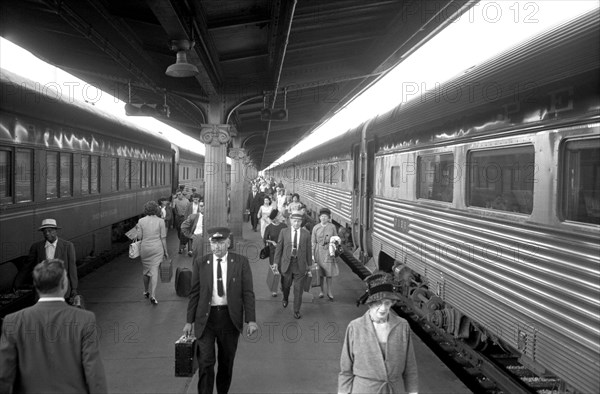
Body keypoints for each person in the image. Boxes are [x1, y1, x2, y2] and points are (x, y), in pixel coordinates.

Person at [0, 259, 107, 394]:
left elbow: (4, 375)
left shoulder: (13, 321)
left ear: (36, 286)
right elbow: (93, 371)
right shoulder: (84, 319)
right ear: (64, 284)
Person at [183, 227, 258, 394]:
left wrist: (251, 320)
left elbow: (248, 292)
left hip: (229, 320)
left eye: (221, 243)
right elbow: (194, 293)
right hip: (206, 320)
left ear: (228, 243)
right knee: (206, 363)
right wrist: (189, 321)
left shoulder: (241, 262)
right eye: (213, 244)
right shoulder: (200, 263)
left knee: (226, 362)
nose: (217, 247)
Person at [338, 271, 418, 394]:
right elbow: (346, 370)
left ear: (392, 303)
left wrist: (413, 392)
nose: (383, 308)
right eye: (378, 302)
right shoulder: (355, 327)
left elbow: (410, 368)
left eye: (387, 302)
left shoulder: (402, 326)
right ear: (370, 303)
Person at [26, 218, 79, 305]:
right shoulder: (37, 247)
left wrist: (74, 288)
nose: (47, 234)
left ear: (56, 231)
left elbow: (72, 268)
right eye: (44, 231)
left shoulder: (68, 246)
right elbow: (29, 266)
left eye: (50, 231)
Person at [273, 211, 312, 319]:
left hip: (300, 265)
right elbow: (279, 248)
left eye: (299, 221)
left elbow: (308, 250)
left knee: (298, 290)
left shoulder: (306, 234)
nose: (296, 223)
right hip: (287, 264)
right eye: (294, 221)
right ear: (290, 221)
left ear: (301, 222)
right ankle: (285, 298)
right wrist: (276, 262)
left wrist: (310, 265)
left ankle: (296, 310)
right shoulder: (284, 232)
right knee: (286, 286)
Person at [136, 200, 169, 305]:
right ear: (156, 210)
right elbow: (163, 238)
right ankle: (153, 296)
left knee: (146, 271)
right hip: (157, 248)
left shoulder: (141, 221)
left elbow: (139, 237)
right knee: (154, 271)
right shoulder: (161, 221)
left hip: (145, 248)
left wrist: (138, 230)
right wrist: (166, 251)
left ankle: (146, 291)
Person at [312, 207, 339, 301]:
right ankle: (321, 291)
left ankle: (329, 291)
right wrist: (312, 254)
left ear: (328, 218)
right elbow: (313, 242)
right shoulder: (316, 227)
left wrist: (334, 244)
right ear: (319, 217)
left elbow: (336, 238)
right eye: (322, 216)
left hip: (329, 252)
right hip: (318, 251)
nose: (323, 218)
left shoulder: (332, 227)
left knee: (329, 273)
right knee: (320, 273)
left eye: (325, 216)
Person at [263, 209, 288, 296]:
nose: (281, 216)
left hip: (283, 251)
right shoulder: (269, 227)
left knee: (283, 270)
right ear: (275, 218)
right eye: (279, 215)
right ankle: (274, 290)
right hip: (273, 252)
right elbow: (265, 239)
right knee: (275, 270)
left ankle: (282, 285)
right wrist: (272, 242)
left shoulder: (284, 226)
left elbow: (288, 237)